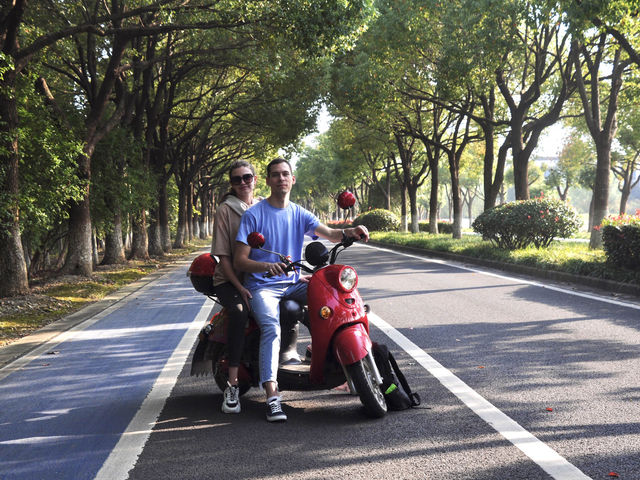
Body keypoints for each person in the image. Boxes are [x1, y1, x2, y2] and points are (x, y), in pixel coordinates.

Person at [234, 157, 369, 422]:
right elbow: (240, 260)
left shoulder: (299, 212)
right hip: (263, 287)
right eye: (275, 175)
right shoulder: (254, 215)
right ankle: (272, 395)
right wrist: (266, 267)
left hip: (294, 282)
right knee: (271, 328)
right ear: (269, 180)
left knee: (335, 303)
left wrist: (352, 230)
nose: (281, 178)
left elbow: (329, 233)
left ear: (292, 179)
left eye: (285, 174)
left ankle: (347, 368)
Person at [211, 160, 260, 414]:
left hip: (259, 276)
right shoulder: (225, 210)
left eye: (247, 177)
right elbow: (223, 258)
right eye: (236, 179)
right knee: (240, 312)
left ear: (255, 179)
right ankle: (232, 384)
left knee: (295, 304)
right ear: (231, 184)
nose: (243, 183)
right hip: (229, 278)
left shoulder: (264, 206)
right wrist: (239, 287)